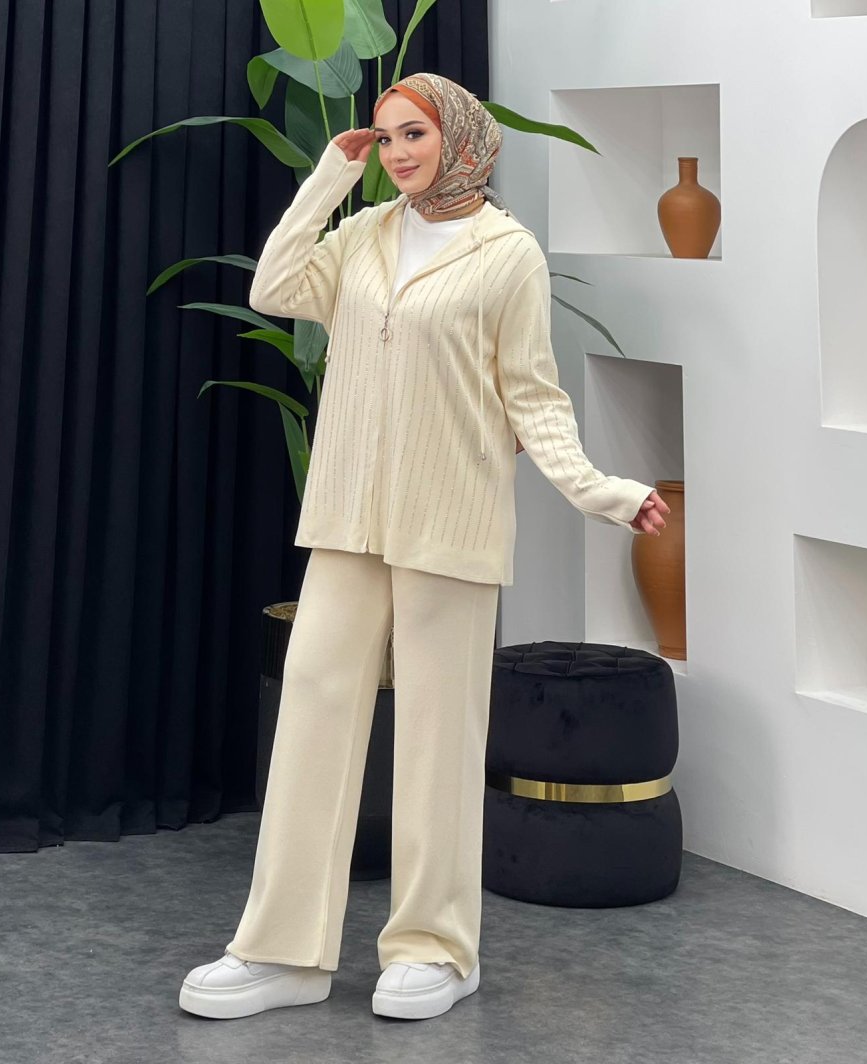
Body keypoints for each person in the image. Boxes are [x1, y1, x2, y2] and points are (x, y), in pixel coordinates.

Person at [178, 72, 670, 1023]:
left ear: (461, 139)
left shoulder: (508, 254)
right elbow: (274, 286)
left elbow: (532, 396)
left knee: (441, 738)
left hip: (451, 522)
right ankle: (282, 952)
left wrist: (603, 492)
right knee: (311, 716)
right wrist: (330, 179)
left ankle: (437, 950)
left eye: (416, 134)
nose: (399, 152)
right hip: (348, 518)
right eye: (388, 136)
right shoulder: (365, 233)